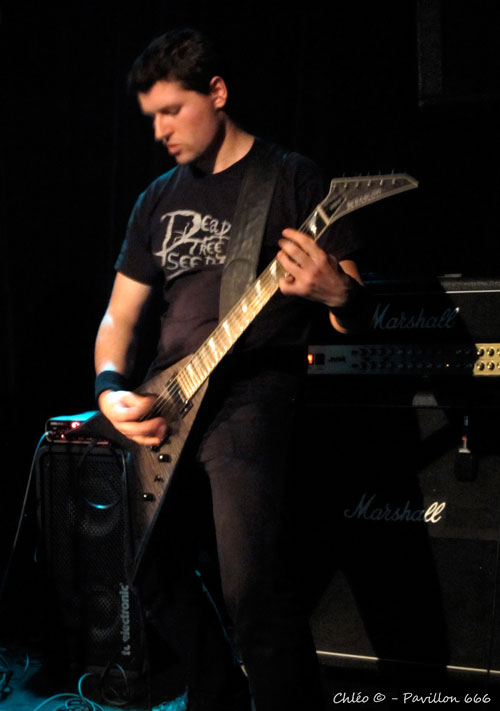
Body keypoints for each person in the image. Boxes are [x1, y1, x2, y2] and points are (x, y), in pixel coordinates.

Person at [94, 28, 365, 711]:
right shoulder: (156, 199)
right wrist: (109, 387)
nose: (159, 130)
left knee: (252, 587)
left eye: (171, 110)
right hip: (164, 402)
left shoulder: (291, 177)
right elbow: (118, 319)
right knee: (144, 573)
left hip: (251, 393)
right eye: (150, 116)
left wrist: (336, 293)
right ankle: (216, 694)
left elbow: (356, 311)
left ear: (216, 92)